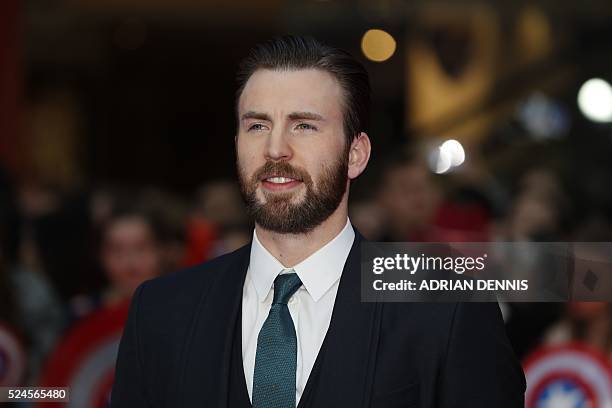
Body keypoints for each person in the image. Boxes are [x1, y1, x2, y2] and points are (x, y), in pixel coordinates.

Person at [111, 35, 525, 408]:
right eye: (257, 125)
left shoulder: (448, 307)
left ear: (356, 154)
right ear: (237, 144)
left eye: (304, 125)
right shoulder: (163, 311)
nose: (275, 149)